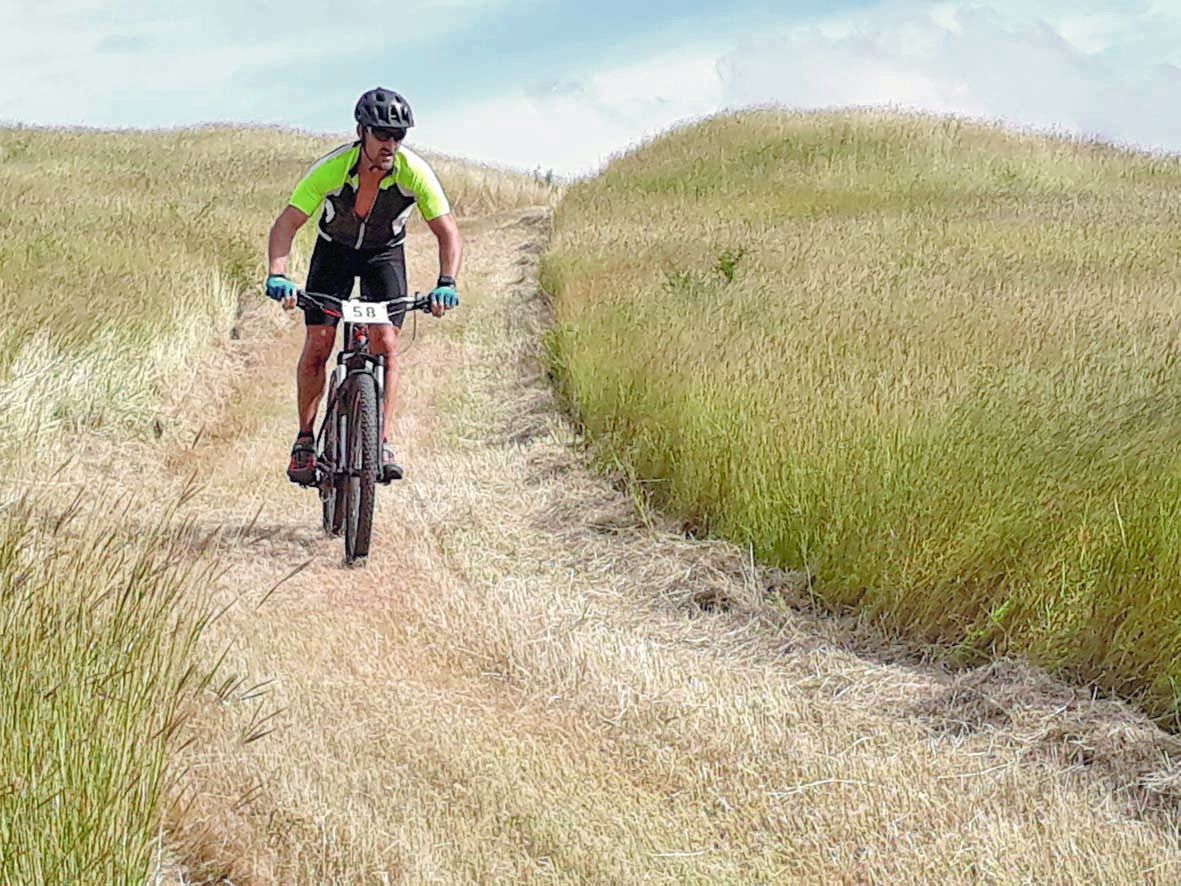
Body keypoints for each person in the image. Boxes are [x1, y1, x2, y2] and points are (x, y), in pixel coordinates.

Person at [264, 87, 463, 485]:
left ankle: (382, 441)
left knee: (386, 345)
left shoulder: (414, 173)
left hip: (383, 255)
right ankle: (305, 440)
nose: (390, 143)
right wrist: (278, 274)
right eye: (382, 133)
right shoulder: (333, 169)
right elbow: (286, 224)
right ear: (362, 131)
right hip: (334, 251)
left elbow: (448, 233)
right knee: (319, 343)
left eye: (398, 135)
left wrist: (446, 282)